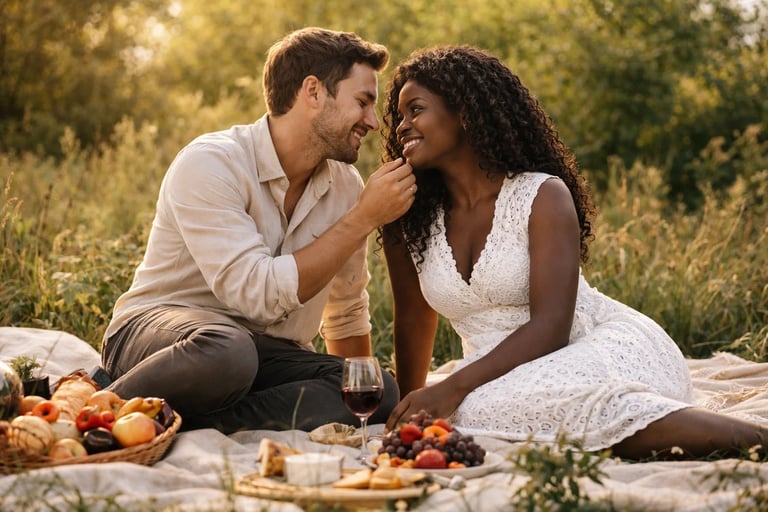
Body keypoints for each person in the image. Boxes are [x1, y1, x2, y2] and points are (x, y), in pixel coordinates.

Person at [380, 45, 767, 459]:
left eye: (415, 110)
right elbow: (413, 318)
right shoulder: (409, 213)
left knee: (478, 406)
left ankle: (757, 439)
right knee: (478, 407)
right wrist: (410, 409)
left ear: (464, 113)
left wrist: (453, 386)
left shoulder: (541, 194)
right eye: (399, 116)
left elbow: (551, 327)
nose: (403, 126)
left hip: (593, 344)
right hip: (499, 377)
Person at [99, 27, 417, 434]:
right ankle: (100, 406)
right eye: (362, 102)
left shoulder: (346, 186)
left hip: (264, 355)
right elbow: (258, 296)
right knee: (229, 352)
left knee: (381, 389)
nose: (373, 122)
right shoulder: (212, 163)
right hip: (167, 342)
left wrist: (362, 403)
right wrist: (363, 219)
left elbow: (346, 312)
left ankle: (195, 423)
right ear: (313, 92)